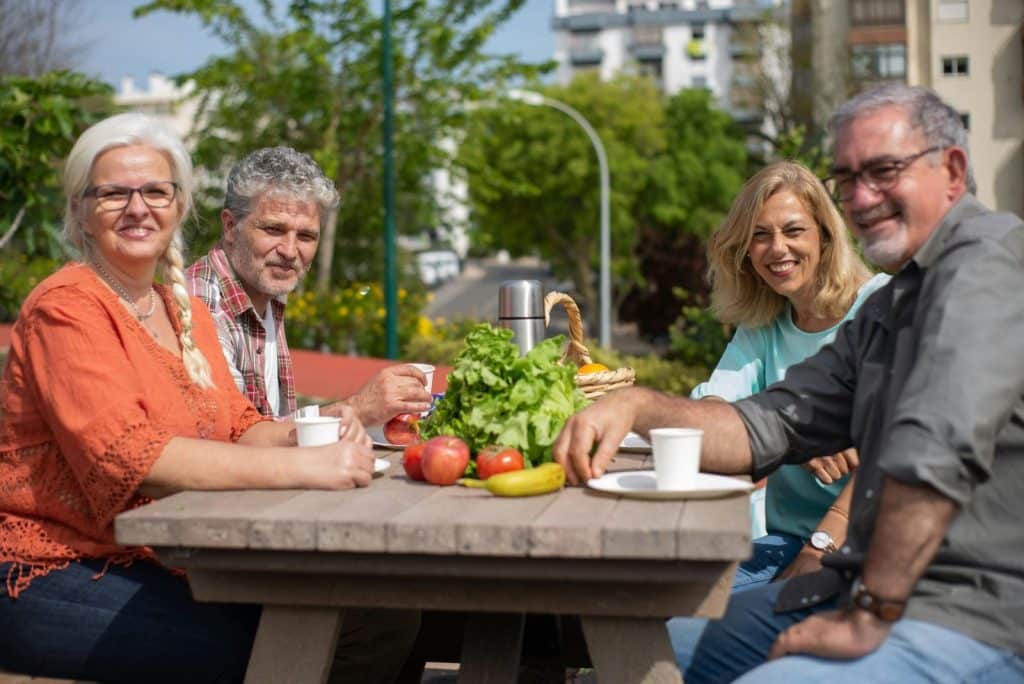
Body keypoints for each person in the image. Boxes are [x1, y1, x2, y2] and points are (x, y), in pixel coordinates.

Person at [553, 84, 1024, 683]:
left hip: (970, 613)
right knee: (655, 655)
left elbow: (933, 451)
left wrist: (867, 610)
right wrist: (637, 404)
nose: (861, 196)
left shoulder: (988, 266)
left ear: (952, 170)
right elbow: (766, 425)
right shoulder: (894, 304)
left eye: (883, 171)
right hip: (856, 585)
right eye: (847, 178)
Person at [0, 113, 418, 682]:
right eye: (113, 193)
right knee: (280, 641)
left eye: (156, 191)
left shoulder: (181, 309)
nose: (138, 208)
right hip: (57, 563)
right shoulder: (66, 306)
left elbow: (242, 426)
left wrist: (329, 426)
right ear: (80, 210)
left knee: (379, 614)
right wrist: (308, 468)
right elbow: (132, 458)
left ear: (179, 206)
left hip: (162, 554)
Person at [692, 160, 888, 589]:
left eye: (793, 230)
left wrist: (821, 546)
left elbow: (903, 451)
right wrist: (793, 440)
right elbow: (710, 412)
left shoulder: (882, 310)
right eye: (759, 235)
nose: (776, 248)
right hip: (787, 541)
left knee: (707, 628)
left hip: (876, 547)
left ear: (825, 234)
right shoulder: (764, 323)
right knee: (679, 601)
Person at [186, 146, 432, 423]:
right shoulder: (203, 306)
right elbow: (231, 440)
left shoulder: (268, 291)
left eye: (305, 236)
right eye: (274, 229)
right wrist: (355, 410)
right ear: (231, 227)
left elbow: (269, 426)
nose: (290, 251)